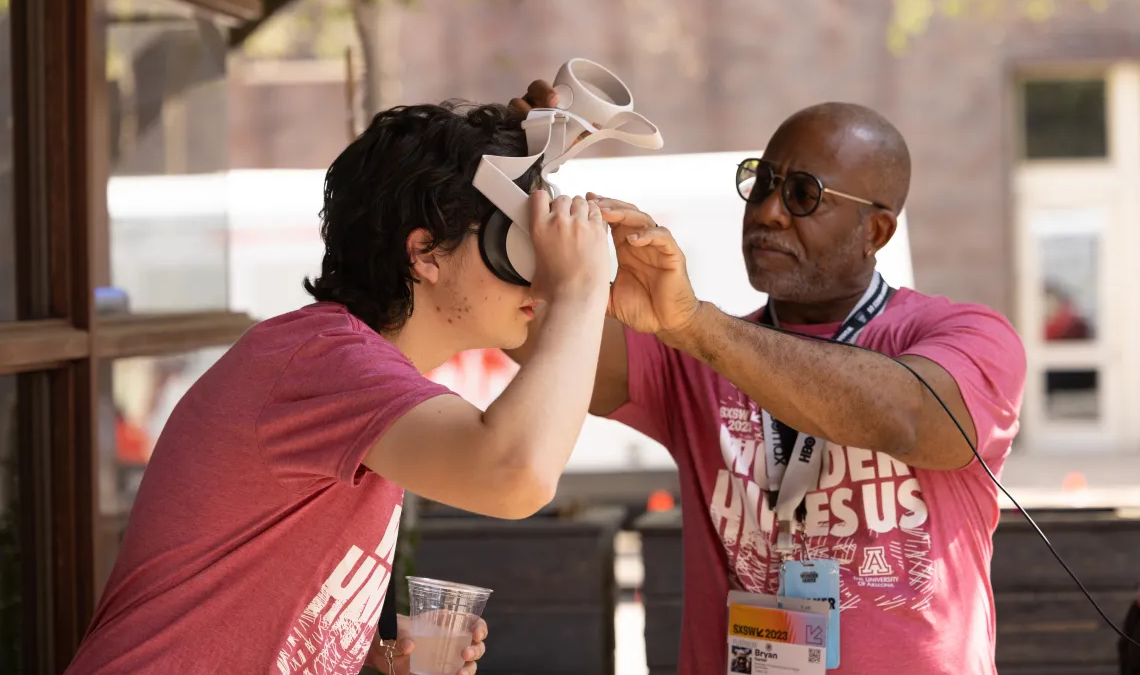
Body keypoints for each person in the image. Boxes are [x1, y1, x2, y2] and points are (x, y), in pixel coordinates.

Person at [64, 102, 614, 675]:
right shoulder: (324, 361)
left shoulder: (350, 370)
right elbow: (514, 476)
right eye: (514, 241)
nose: (537, 273)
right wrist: (580, 288)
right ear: (424, 252)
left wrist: (369, 650)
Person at [509, 85, 1027, 674]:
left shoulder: (969, 335)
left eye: (804, 195)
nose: (769, 211)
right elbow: (526, 326)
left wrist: (697, 325)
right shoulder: (693, 352)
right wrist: (504, 178)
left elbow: (907, 419)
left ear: (876, 232)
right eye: (762, 183)